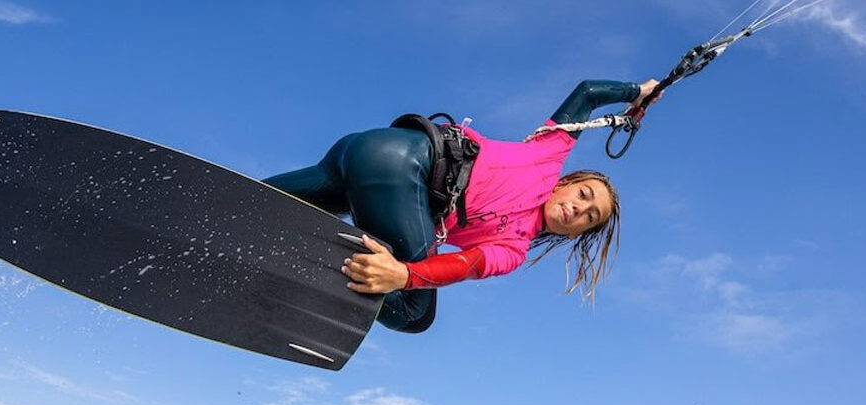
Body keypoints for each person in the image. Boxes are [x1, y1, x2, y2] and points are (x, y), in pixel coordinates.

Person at [263, 77, 663, 333]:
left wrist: (404, 271)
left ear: (577, 234)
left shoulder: (513, 250)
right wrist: (637, 94)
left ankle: (228, 207)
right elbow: (589, 93)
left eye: (589, 217)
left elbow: (464, 265)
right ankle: (329, 263)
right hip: (406, 167)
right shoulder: (547, 154)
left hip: (364, 151)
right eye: (583, 195)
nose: (579, 209)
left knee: (260, 201)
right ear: (567, 183)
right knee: (414, 313)